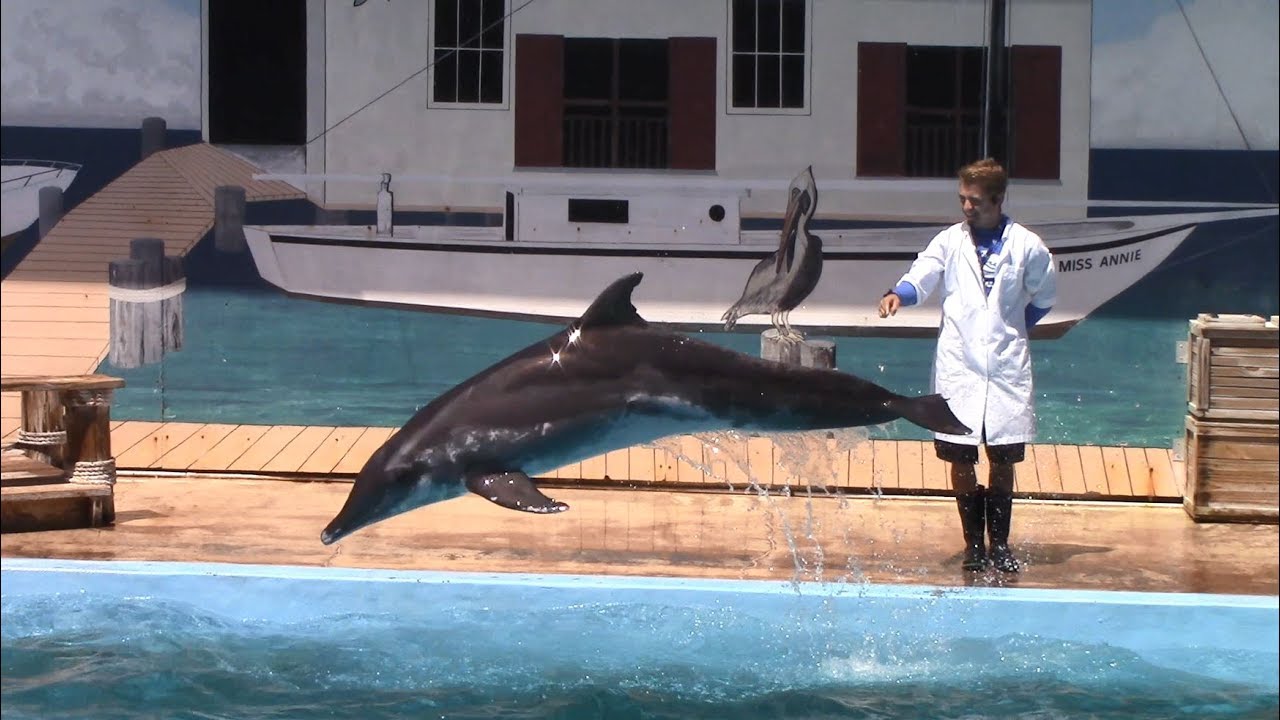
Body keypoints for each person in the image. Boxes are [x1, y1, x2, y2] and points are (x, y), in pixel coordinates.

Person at [877, 158, 1057, 573]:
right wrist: (898, 295)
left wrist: (1010, 331)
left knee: (1003, 459)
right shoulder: (950, 240)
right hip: (960, 366)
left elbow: (1044, 296)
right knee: (960, 457)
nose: (967, 208)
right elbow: (923, 273)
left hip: (1005, 367)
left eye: (974, 201)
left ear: (996, 200)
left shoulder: (1028, 246)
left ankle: (1001, 544)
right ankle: (973, 544)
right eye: (962, 200)